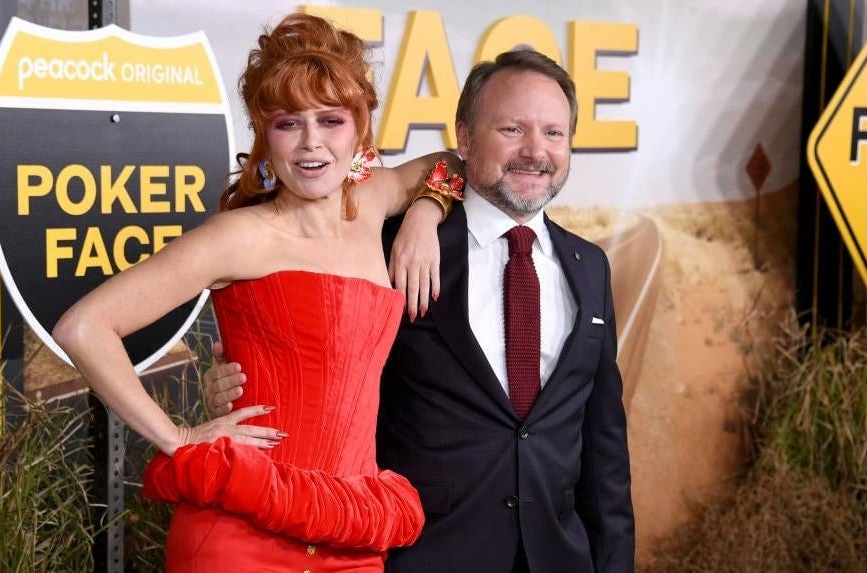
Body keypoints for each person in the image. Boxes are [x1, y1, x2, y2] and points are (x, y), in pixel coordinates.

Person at [53, 13, 464, 572]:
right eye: (289, 123)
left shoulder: (373, 203)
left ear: (360, 131)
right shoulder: (241, 236)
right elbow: (83, 327)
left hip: (349, 530)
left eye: (331, 120)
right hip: (241, 533)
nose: (312, 144)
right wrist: (180, 439)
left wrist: (423, 212)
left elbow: (453, 161)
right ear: (264, 134)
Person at [204, 49, 635, 572]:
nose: (535, 151)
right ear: (465, 137)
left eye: (554, 133)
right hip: (423, 553)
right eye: (512, 129)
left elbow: (604, 447)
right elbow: (324, 373)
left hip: (561, 558)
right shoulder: (381, 246)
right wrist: (248, 380)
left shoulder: (590, 266)